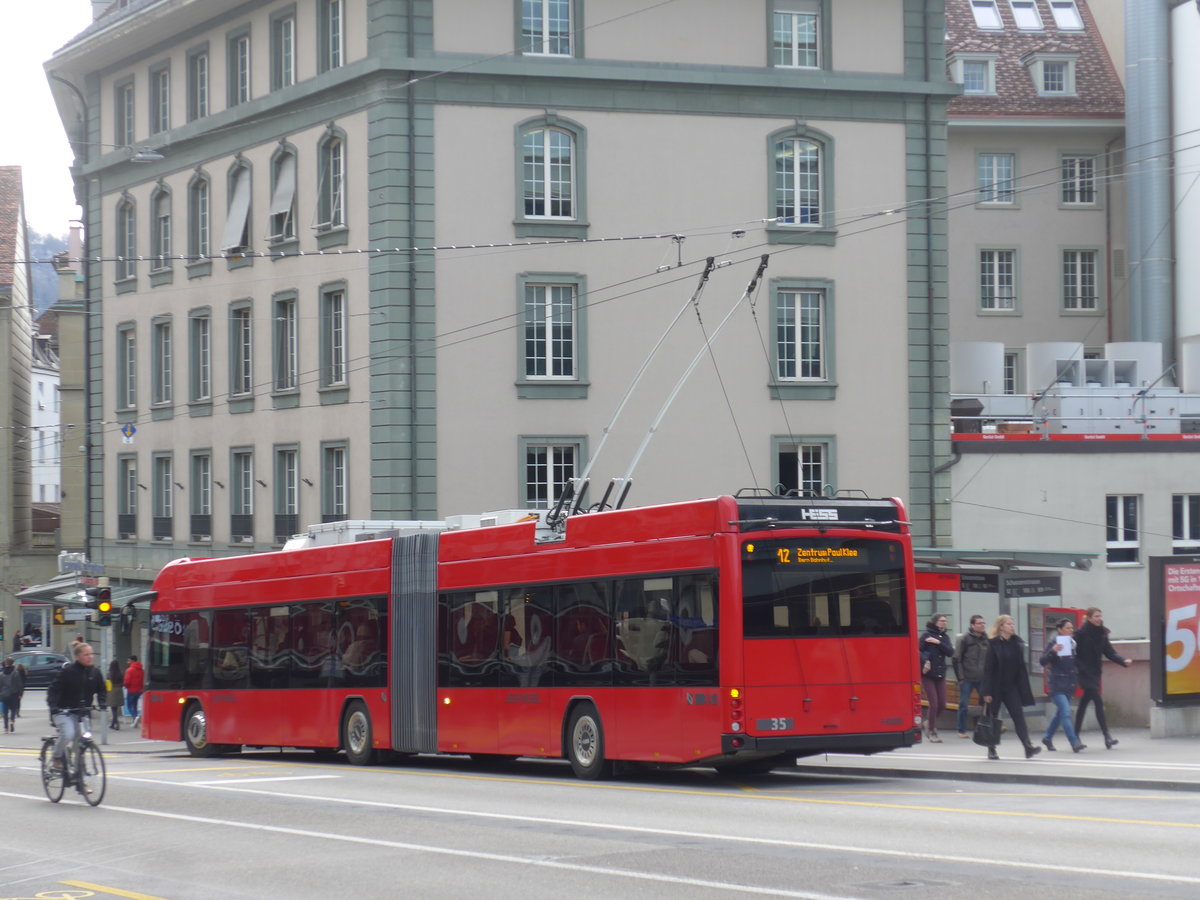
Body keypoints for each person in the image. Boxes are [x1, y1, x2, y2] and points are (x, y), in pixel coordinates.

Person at [981, 614, 1041, 760]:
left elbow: (1020, 668)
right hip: (995, 688)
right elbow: (988, 669)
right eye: (1009, 624)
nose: (1012, 626)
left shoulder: (1016, 643)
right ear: (1001, 627)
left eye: (1013, 624)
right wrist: (987, 691)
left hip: (1011, 687)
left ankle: (1027, 747)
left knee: (1018, 716)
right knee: (992, 718)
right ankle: (991, 749)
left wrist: (1022, 688)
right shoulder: (993, 644)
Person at [1073, 607, 1132, 749]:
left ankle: (1075, 735)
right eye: (1095, 616)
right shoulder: (1080, 634)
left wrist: (1122, 660)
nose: (1099, 618)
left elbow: (1109, 651)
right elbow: (1074, 654)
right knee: (1098, 702)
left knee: (1084, 704)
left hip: (1095, 672)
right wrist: (1080, 668)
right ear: (1088, 618)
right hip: (1084, 673)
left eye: (1100, 616)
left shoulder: (1102, 632)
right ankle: (1107, 736)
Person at [46, 642, 106, 773]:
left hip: (82, 713)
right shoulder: (68, 671)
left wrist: (102, 703)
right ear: (77, 656)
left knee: (83, 741)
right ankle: (57, 756)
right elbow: (53, 689)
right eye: (86, 655)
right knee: (68, 734)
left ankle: (79, 775)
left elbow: (102, 689)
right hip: (64, 711)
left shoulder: (95, 672)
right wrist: (53, 706)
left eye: (91, 654)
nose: (90, 657)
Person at [1039, 618, 1085, 753]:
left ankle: (1047, 738)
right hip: (1057, 684)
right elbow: (1042, 661)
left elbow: (1075, 663)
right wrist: (1052, 651)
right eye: (1067, 628)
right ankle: (1074, 742)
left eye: (1072, 628)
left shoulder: (1073, 644)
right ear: (1060, 630)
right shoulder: (1054, 643)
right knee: (1065, 712)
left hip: (1069, 684)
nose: (1071, 630)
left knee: (1060, 714)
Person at [953, 614, 989, 738]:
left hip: (982, 678)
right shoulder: (964, 639)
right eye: (979, 623)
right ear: (972, 625)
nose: (982, 625)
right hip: (967, 677)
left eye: (983, 623)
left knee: (987, 701)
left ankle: (985, 726)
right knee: (963, 704)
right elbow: (956, 659)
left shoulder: (986, 639)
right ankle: (961, 730)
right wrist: (961, 678)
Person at [919, 614, 954, 741]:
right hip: (928, 674)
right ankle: (932, 731)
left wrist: (939, 642)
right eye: (942, 621)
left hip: (940, 674)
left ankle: (929, 722)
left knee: (942, 704)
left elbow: (950, 652)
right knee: (933, 703)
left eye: (946, 621)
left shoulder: (945, 637)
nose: (944, 623)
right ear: (935, 622)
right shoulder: (925, 635)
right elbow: (918, 650)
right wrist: (925, 661)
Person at [0, 657, 21, 732]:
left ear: (6, 663)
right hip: (13, 693)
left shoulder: (1, 674)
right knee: (13, 710)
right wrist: (20, 694)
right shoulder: (16, 673)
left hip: (4, 694)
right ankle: (12, 721)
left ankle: (5, 728)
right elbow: (19, 684)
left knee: (5, 712)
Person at [123, 655, 145, 724]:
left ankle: (135, 716)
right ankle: (134, 720)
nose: (127, 662)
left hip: (131, 690)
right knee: (135, 705)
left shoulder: (129, 670)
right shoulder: (141, 670)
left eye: (128, 661)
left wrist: (126, 686)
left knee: (129, 705)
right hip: (139, 690)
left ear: (132, 661)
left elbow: (127, 681)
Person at [106, 659, 125, 729]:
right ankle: (114, 724)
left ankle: (116, 724)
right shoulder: (120, 674)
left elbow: (108, 684)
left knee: (113, 709)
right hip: (119, 691)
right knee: (116, 709)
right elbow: (123, 683)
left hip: (112, 691)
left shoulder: (109, 674)